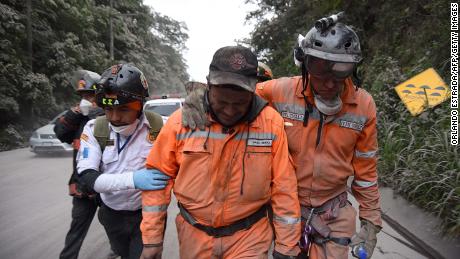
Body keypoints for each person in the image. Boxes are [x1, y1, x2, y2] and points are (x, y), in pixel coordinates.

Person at [181, 15, 382, 259]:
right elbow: (235, 92)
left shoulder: (363, 105)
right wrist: (200, 95)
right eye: (318, 69)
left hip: (334, 214)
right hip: (284, 210)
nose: (329, 82)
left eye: (340, 71)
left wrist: (371, 221)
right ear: (305, 64)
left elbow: (366, 174)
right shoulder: (281, 91)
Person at [140, 46, 301, 259]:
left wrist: (286, 245)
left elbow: (284, 186)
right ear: (208, 86)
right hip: (194, 236)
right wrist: (152, 240)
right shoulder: (181, 122)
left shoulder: (270, 124)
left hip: (250, 237)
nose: (230, 110)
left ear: (254, 90)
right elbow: (158, 181)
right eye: (222, 102)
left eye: (240, 103)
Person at [76, 64, 170, 259]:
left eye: (124, 109)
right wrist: (134, 179)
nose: (115, 117)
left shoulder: (162, 128)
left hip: (148, 215)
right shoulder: (94, 129)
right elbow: (87, 179)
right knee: (122, 253)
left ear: (141, 104)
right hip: (111, 215)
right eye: (108, 109)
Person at [54, 70, 118, 259]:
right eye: (83, 96)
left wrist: (96, 112)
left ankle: (117, 249)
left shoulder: (112, 114)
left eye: (90, 95)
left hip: (107, 185)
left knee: (113, 224)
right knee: (76, 229)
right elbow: (60, 132)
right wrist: (76, 113)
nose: (86, 99)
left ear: (99, 94)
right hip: (83, 186)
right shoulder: (78, 117)